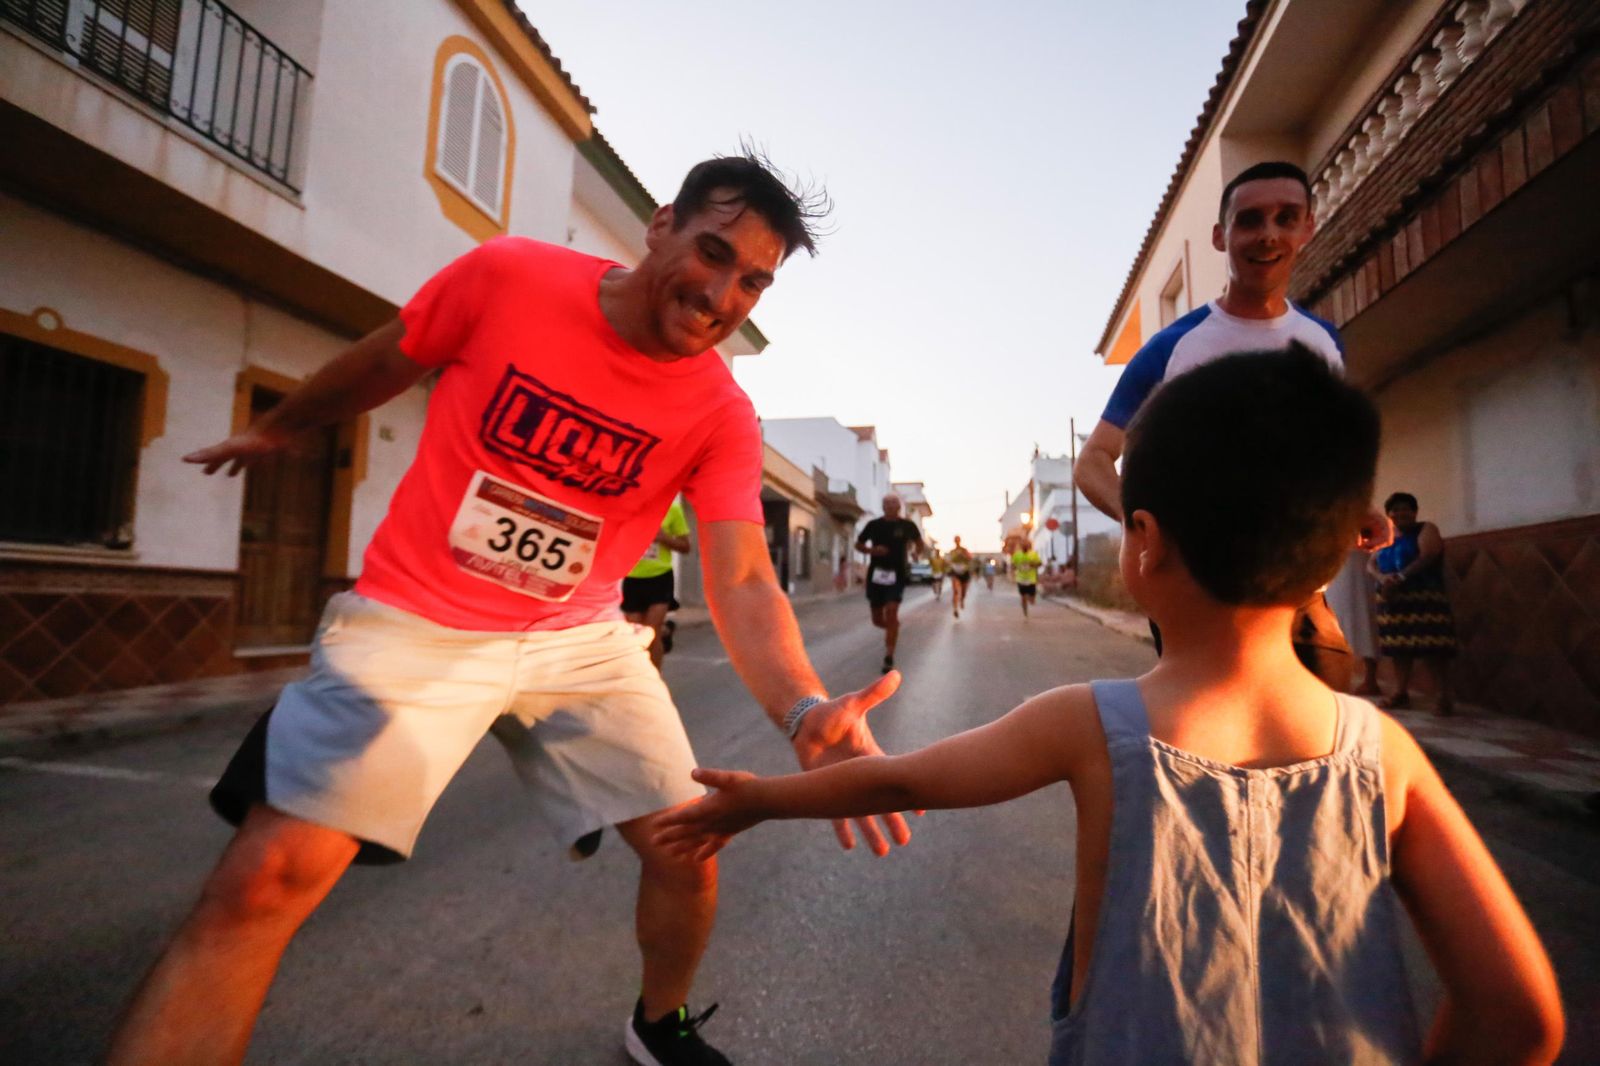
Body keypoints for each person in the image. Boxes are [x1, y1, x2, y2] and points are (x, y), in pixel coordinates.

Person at [108, 154, 916, 1066]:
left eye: (753, 282)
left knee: (688, 848)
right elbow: (390, 355)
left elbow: (739, 577)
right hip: (416, 622)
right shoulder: (511, 277)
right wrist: (284, 423)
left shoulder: (721, 412)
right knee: (262, 884)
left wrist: (803, 707)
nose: (722, 294)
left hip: (579, 638)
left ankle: (661, 1025)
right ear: (660, 226)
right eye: (713, 252)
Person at [656, 351, 1564, 1065]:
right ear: (1333, 556)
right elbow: (1521, 1018)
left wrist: (758, 800)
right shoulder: (1386, 753)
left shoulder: (1090, 722)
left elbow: (899, 776)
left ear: (1143, 544)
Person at [1073, 161, 1392, 686]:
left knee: (1317, 746)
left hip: (1301, 596)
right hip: (1199, 602)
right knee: (1212, 754)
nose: (1267, 234)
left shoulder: (1324, 343)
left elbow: (1315, 462)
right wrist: (1150, 533)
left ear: (1307, 227)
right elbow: (1093, 462)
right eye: (1250, 220)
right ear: (1222, 236)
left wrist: (1356, 508)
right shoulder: (1173, 348)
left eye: (1285, 218)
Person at [1369, 492, 1457, 715]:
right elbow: (1371, 564)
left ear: (1415, 511)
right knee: (1399, 649)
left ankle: (1443, 696)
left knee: (1433, 647)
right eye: (1395, 510)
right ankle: (1400, 693)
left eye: (1405, 508)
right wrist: (1382, 579)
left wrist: (1400, 577)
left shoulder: (1426, 529)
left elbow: (1428, 555)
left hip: (1423, 597)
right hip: (1393, 600)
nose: (1400, 513)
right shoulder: (1387, 535)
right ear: (1389, 514)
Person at [855, 494, 924, 673]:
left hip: (897, 574)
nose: (890, 506)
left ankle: (889, 655)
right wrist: (872, 550)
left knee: (891, 611)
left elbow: (919, 543)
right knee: (877, 619)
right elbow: (858, 545)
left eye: (893, 503)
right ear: (882, 506)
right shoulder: (874, 525)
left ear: (899, 506)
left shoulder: (907, 525)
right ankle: (893, 629)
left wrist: (917, 553)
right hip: (876, 575)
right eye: (886, 503)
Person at [623, 498, 691, 669]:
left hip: (660, 576)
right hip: (632, 577)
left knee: (651, 631)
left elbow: (685, 546)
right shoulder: (629, 507)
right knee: (635, 634)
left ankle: (654, 678)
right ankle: (666, 631)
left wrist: (664, 538)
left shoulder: (673, 510)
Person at [1327, 548, 1382, 695]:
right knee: (1334, 617)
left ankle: (1370, 679)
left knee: (1365, 618)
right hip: (1334, 567)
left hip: (1361, 565)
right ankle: (1336, 677)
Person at [1011, 538, 1042, 618]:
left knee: (1032, 601)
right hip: (1021, 579)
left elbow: (1039, 563)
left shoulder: (1033, 554)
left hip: (1031, 579)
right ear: (1021, 546)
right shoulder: (1017, 554)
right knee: (1023, 597)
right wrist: (1014, 569)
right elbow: (1012, 565)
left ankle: (1029, 598)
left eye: (1026, 544)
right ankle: (1025, 612)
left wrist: (1033, 564)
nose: (1024, 545)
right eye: (1023, 544)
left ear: (1029, 545)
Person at [946, 535, 974, 618]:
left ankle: (962, 599)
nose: (957, 541)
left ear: (960, 541)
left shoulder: (964, 550)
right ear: (954, 541)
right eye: (956, 540)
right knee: (955, 591)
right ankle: (955, 609)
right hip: (955, 572)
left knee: (964, 591)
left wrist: (963, 555)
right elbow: (949, 560)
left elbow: (970, 558)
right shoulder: (952, 551)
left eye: (958, 540)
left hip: (964, 572)